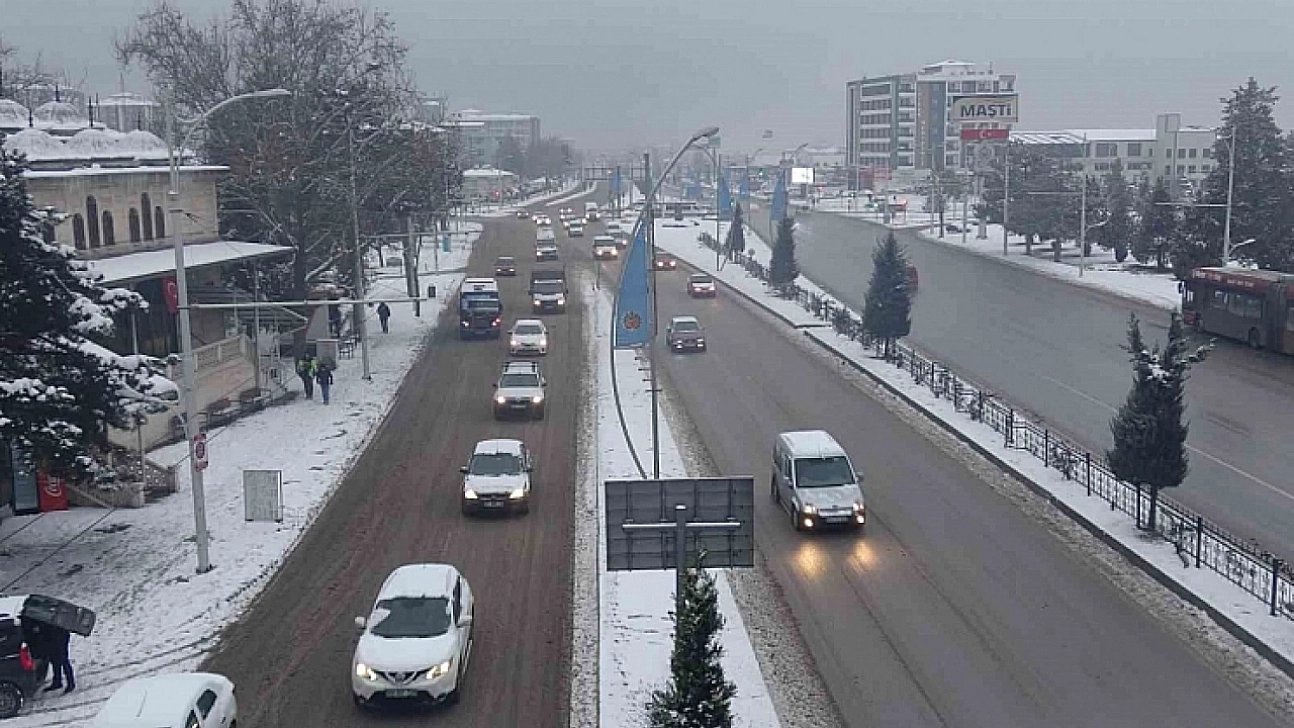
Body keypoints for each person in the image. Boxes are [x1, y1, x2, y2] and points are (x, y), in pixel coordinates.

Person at [44, 625, 74, 694]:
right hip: (56, 634)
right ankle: (57, 681)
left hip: (59, 634)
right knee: (55, 659)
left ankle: (70, 682)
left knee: (63, 659)